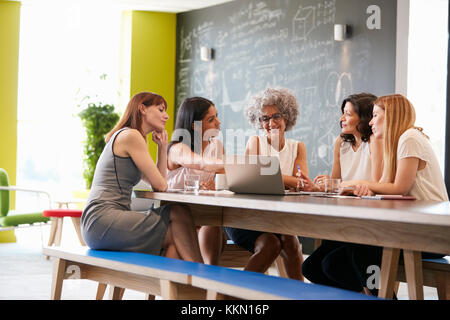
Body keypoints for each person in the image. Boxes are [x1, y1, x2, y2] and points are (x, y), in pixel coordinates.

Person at [316, 94, 447, 295]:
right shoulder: (397, 142)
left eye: (376, 116)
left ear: (392, 116)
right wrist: (368, 188)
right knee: (332, 262)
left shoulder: (409, 138)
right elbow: (384, 184)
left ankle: (382, 296)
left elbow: (399, 188)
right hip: (411, 228)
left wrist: (355, 183)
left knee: (360, 251)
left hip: (430, 233)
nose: (371, 122)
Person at [81, 92, 204, 263]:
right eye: (161, 110)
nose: (166, 116)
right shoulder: (131, 136)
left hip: (102, 221)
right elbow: (161, 186)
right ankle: (200, 275)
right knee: (178, 216)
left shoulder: (131, 137)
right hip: (101, 219)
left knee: (178, 231)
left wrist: (162, 148)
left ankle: (180, 285)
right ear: (142, 109)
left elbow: (159, 184)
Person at [300, 93, 383, 294]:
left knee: (333, 265)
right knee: (310, 267)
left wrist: (345, 186)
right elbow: (337, 183)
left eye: (347, 114)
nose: (341, 118)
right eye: (342, 113)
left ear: (363, 117)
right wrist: (318, 186)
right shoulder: (341, 142)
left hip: (372, 222)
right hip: (347, 219)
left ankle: (375, 294)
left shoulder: (374, 141)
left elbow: (378, 184)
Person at [224, 87, 305, 280]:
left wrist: (273, 174)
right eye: (264, 118)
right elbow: (255, 177)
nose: (270, 123)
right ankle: (235, 294)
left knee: (290, 241)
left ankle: (297, 294)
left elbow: (301, 183)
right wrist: (288, 180)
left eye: (276, 116)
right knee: (276, 243)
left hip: (277, 217)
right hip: (246, 216)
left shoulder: (297, 147)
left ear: (287, 117)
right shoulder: (255, 142)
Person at [167, 96, 227, 265]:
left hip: (203, 213)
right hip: (177, 217)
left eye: (217, 116)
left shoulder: (216, 146)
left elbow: (223, 175)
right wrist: (233, 164)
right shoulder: (177, 149)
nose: (218, 123)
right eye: (211, 119)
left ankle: (208, 277)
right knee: (210, 225)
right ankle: (205, 276)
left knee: (213, 223)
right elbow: (200, 163)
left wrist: (215, 184)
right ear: (195, 125)